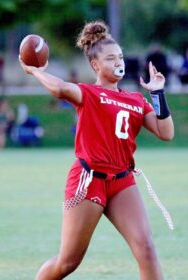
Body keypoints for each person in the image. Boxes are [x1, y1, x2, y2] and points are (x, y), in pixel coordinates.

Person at [19, 21, 174, 279]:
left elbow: (166, 132)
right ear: (95, 65)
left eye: (120, 57)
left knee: (146, 248)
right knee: (68, 262)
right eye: (111, 58)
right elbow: (59, 88)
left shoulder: (136, 100)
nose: (118, 62)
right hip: (88, 180)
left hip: (122, 181)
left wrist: (158, 93)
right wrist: (35, 71)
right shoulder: (89, 93)